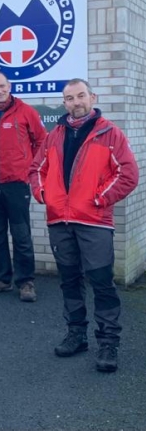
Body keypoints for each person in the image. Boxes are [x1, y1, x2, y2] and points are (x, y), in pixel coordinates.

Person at [30, 79, 138, 373]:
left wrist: (99, 198)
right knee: (69, 281)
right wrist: (44, 195)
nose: (75, 102)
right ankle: (76, 334)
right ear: (63, 103)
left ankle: (108, 342)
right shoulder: (54, 135)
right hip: (59, 222)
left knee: (102, 283)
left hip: (94, 222)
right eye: (69, 98)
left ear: (92, 97)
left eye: (80, 96)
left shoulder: (110, 134)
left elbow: (128, 174)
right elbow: (36, 170)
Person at [0, 72, 47, 301]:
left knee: (21, 234)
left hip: (17, 183)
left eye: (2, 86)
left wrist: (28, 163)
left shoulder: (26, 112)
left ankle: (26, 282)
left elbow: (42, 140)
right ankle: (2, 279)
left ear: (9, 86)